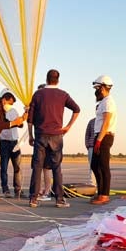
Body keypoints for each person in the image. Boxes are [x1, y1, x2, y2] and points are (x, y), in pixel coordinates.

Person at [27, 69, 80, 208]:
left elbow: (30, 118)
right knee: (56, 168)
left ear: (46, 79)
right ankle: (59, 199)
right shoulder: (63, 95)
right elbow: (77, 109)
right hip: (57, 135)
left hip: (41, 134)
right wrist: (68, 126)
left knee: (37, 167)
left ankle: (33, 198)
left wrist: (30, 135)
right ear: (58, 80)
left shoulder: (38, 94)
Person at [89, 75, 116, 205]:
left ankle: (104, 195)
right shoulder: (103, 102)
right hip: (99, 135)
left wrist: (99, 140)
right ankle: (100, 193)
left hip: (104, 136)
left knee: (104, 166)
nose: (96, 90)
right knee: (95, 165)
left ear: (104, 87)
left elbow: (106, 122)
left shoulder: (108, 102)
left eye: (98, 88)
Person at [0, 106, 23, 198]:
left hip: (15, 142)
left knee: (17, 167)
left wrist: (20, 122)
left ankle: (18, 190)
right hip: (4, 142)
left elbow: (21, 124)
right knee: (4, 167)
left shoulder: (14, 111)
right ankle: (5, 190)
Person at [83, 88, 103, 187]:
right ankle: (92, 183)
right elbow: (87, 134)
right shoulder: (91, 121)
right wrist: (87, 144)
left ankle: (101, 184)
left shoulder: (104, 122)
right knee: (92, 165)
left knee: (101, 165)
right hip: (91, 146)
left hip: (100, 146)